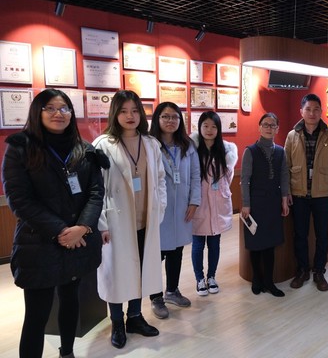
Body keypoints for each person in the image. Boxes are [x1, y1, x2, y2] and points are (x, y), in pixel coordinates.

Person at [2, 89, 107, 358]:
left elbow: (96, 192)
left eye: (64, 108)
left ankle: (67, 353)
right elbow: (19, 200)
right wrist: (61, 231)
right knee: (37, 314)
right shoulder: (20, 148)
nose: (58, 113)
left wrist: (82, 227)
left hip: (78, 241)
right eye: (50, 108)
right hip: (39, 243)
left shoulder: (85, 150)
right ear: (37, 112)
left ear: (71, 113)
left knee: (71, 301)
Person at [94, 90, 167, 349]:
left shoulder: (151, 143)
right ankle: (117, 322)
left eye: (135, 111)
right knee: (116, 273)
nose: (130, 116)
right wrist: (101, 223)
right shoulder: (103, 145)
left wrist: (160, 207)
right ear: (115, 113)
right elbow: (97, 188)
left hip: (145, 219)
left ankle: (135, 317)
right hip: (116, 222)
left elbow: (160, 179)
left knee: (140, 270)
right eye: (124, 111)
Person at [285, 93, 328, 292]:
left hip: (323, 194)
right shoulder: (292, 135)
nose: (312, 113)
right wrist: (287, 191)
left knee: (322, 236)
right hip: (299, 194)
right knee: (300, 235)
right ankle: (302, 270)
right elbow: (286, 165)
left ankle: (319, 271)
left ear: (321, 111)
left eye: (316, 109)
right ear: (301, 111)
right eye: (308, 109)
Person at [148, 103, 201, 319]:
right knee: (156, 256)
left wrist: (194, 202)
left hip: (181, 208)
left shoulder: (187, 145)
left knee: (176, 252)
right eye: (165, 116)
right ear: (157, 119)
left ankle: (172, 290)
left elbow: (196, 175)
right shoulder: (149, 144)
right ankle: (155, 297)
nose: (170, 121)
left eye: (175, 117)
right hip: (158, 209)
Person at [240, 113, 290, 297]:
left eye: (273, 125)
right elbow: (244, 180)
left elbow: (284, 176)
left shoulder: (281, 152)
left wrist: (284, 199)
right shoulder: (250, 151)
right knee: (255, 243)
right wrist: (246, 204)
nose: (269, 128)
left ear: (277, 129)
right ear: (259, 127)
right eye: (266, 125)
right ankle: (257, 279)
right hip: (255, 204)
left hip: (273, 203)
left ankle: (269, 281)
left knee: (270, 244)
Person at [191, 111, 237, 296]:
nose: (209, 130)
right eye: (205, 126)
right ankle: (199, 279)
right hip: (199, 204)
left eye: (214, 126)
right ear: (199, 127)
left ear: (219, 129)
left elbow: (228, 178)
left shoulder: (226, 152)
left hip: (217, 205)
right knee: (197, 245)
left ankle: (211, 277)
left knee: (215, 244)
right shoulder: (192, 150)